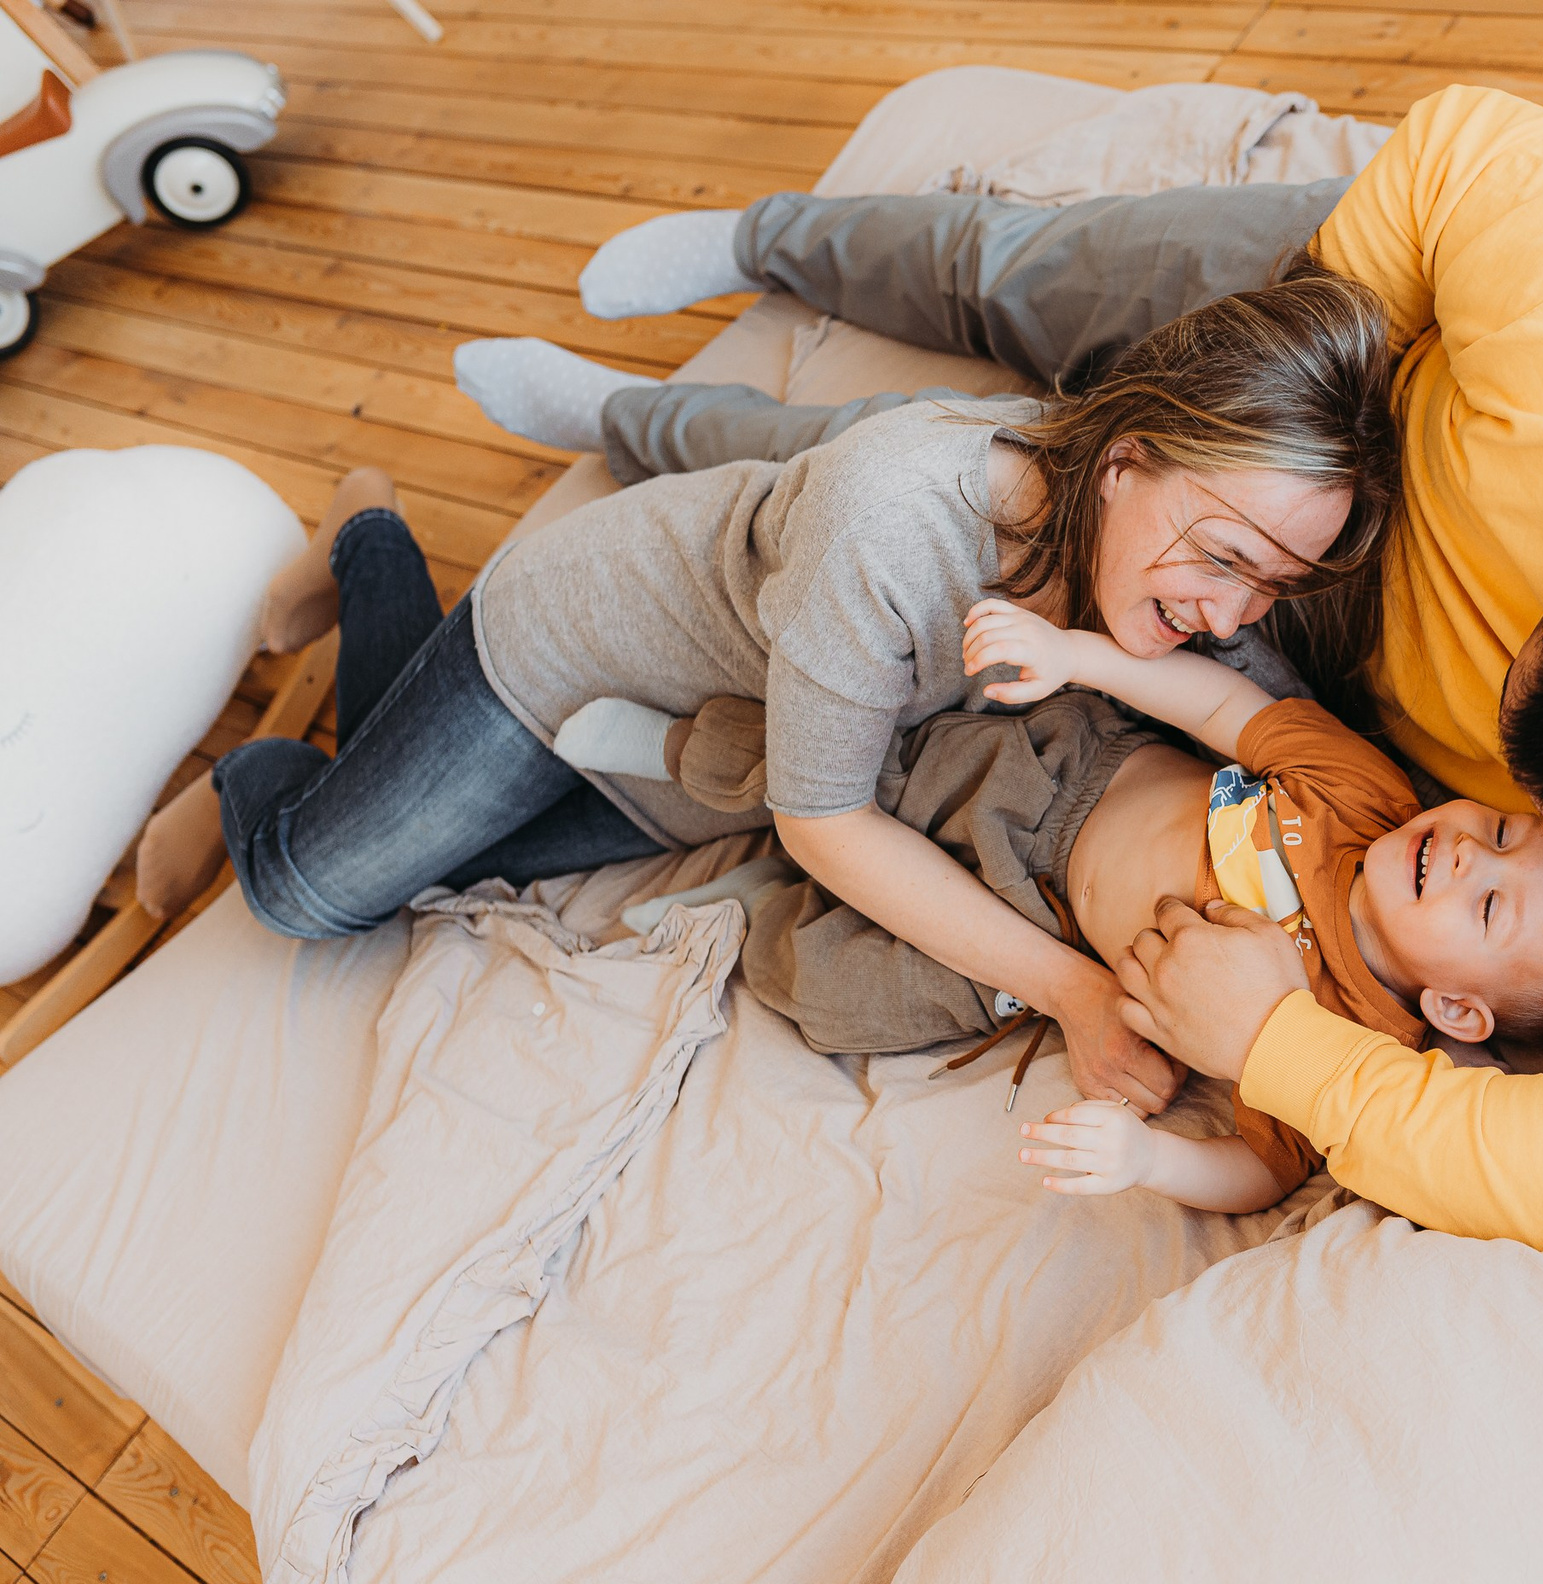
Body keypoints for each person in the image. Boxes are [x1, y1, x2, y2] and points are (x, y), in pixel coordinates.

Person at [458, 86, 1543, 1255]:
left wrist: (1280, 1041)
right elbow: (1451, 149)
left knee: (902, 521)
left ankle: (640, 430)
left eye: (1522, 808)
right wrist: (1289, 427)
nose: (1475, 799)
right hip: (1362, 405)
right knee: (1034, 317)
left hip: (1283, 672)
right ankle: (770, 241)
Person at [133, 271, 1403, 1118]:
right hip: (576, 644)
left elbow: (1283, 723)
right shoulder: (898, 524)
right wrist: (1073, 990)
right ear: (1125, 461)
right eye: (1227, 560)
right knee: (312, 892)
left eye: (1271, 587)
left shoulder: (1159, 565)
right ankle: (361, 564)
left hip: (706, 736)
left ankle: (367, 687)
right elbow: (823, 821)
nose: (1232, 614)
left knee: (458, 868)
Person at [578, 595, 1543, 1215]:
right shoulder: (1367, 796)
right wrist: (1079, 657)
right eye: (1496, 831)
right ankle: (685, 756)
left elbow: (1263, 1170)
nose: (1461, 855)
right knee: (875, 764)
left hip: (1044, 939)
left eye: (1488, 908)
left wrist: (1150, 1160)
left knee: (848, 996)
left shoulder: (1353, 1042)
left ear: (1457, 1012)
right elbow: (1230, 706)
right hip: (1061, 784)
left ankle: (753, 911)